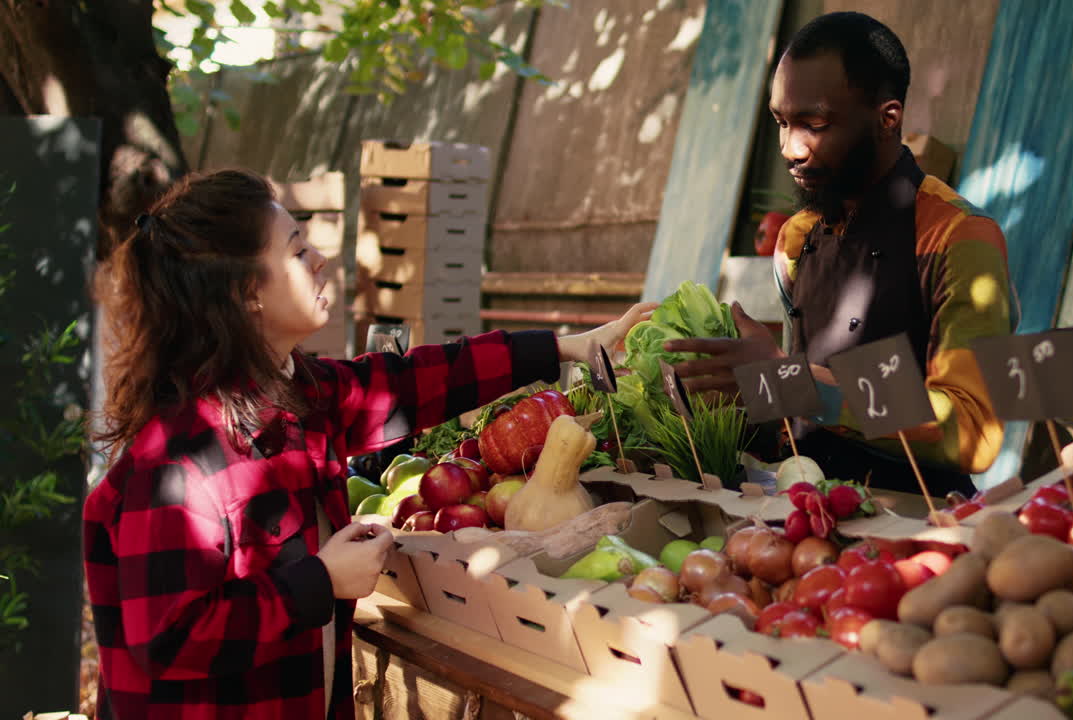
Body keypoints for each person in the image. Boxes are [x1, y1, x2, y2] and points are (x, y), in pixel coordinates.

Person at [83, 168, 654, 720]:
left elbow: (412, 381)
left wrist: (570, 347)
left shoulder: (296, 394)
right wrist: (320, 582)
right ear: (246, 292)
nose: (320, 260)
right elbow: (168, 639)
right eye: (297, 250)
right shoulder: (176, 464)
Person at [668, 12, 1014, 496]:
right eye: (780, 122)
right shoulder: (795, 240)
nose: (790, 148)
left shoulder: (959, 237)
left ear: (887, 118)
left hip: (916, 524)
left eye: (813, 123)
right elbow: (797, 414)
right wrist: (722, 393)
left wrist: (789, 381)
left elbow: (972, 430)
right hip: (803, 511)